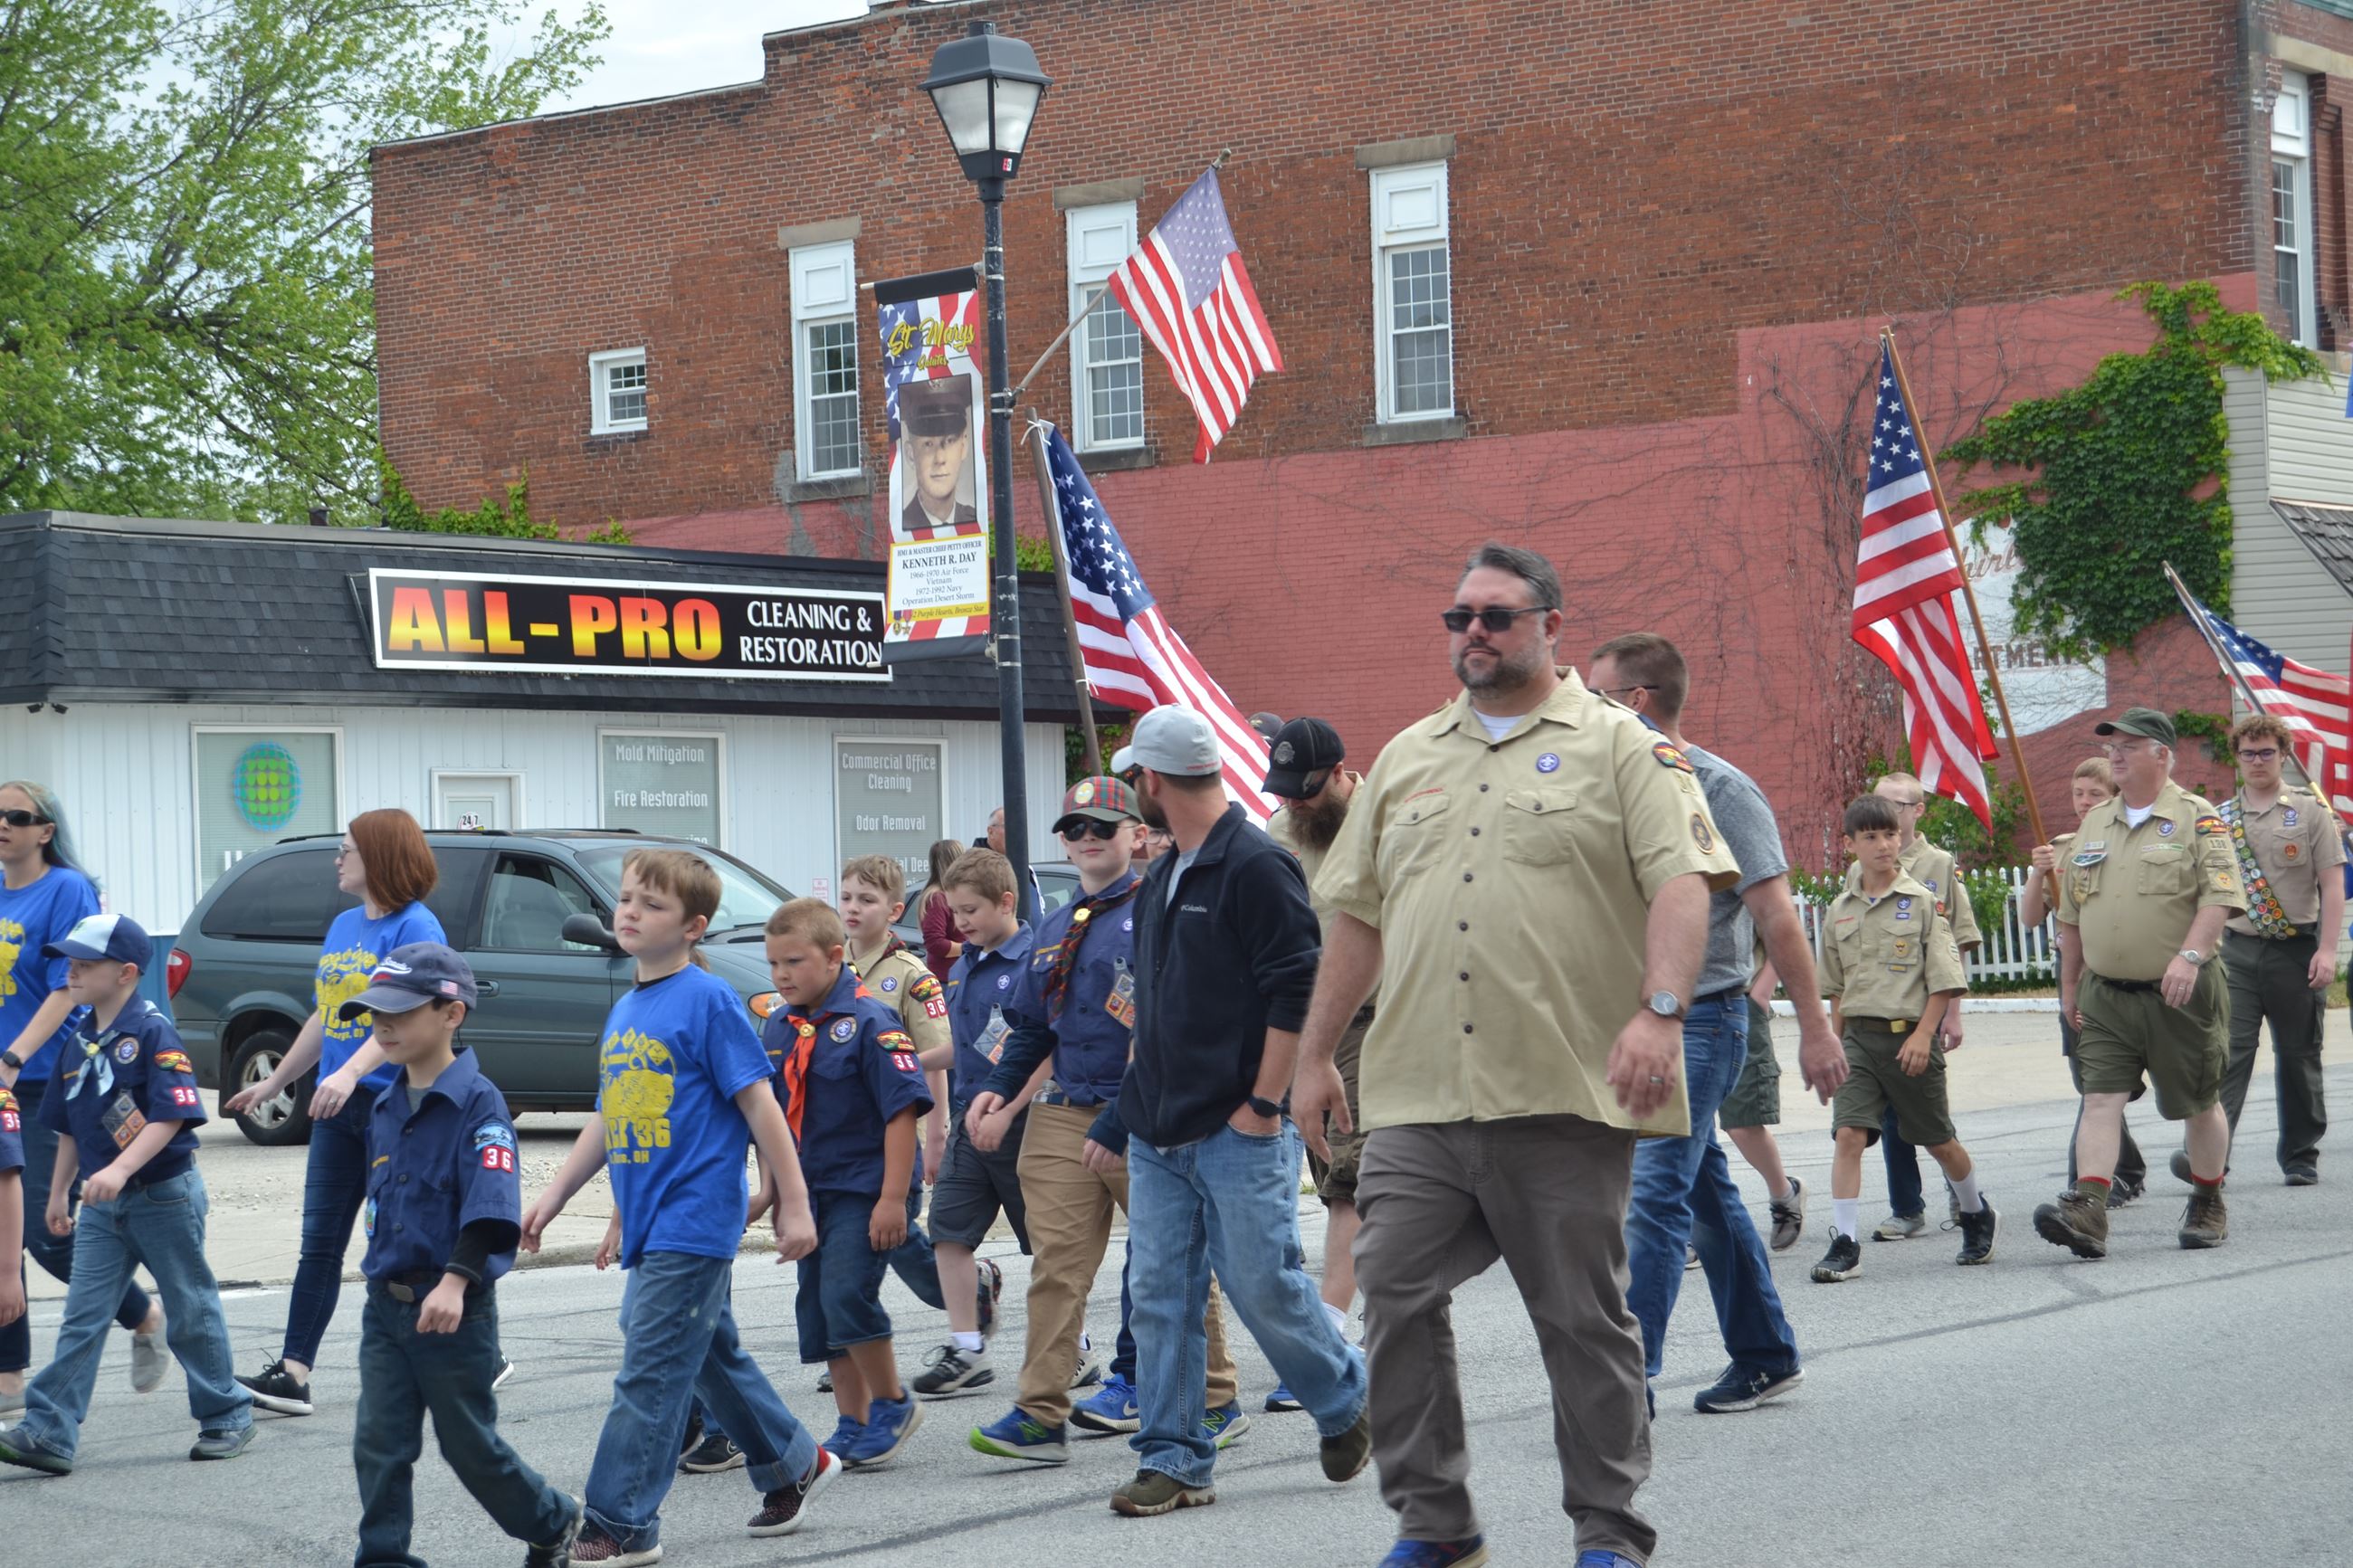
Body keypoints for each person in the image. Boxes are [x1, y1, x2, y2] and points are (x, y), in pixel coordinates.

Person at [1295, 543, 1742, 1568]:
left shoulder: (1622, 746)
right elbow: (1354, 917)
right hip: (1414, 1090)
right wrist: (1315, 1054)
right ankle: (1435, 1522)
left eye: (1495, 614)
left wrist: (1660, 1011)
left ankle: (1607, 1529)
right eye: (1457, 617)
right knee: (1393, 1295)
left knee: (1579, 1319)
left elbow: (1682, 878)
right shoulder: (1408, 756)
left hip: (1563, 1088)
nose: (1473, 633)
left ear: (1549, 621)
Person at [522, 848, 837, 1563]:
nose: (629, 910)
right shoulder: (628, 1007)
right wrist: (554, 1195)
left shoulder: (710, 999)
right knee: (705, 1354)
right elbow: (611, 1119)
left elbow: (764, 1109)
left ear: (693, 926)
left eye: (651, 904)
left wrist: (793, 1204)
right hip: (652, 1218)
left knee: (651, 1363)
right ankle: (794, 1462)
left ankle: (620, 1520)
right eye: (627, 898)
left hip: (697, 1217)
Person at [1108, 703, 1369, 1521]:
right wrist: (1121, 1115)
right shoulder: (1163, 872)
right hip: (1158, 1127)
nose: (1133, 799)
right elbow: (1152, 1006)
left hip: (1237, 1124)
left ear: (1153, 780)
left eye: (1133, 783)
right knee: (1158, 1294)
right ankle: (1175, 1457)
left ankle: (1346, 1396)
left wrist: (1263, 1105)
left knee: (1262, 1286)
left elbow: (1297, 988)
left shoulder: (1257, 864)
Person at [1588, 633, 1847, 1411]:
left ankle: (1626, 1378)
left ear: (1635, 701)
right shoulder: (1609, 787)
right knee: (1705, 1195)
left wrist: (1816, 1026)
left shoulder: (1721, 790)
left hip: (1704, 1022)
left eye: (1595, 695)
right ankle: (1766, 1354)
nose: (1578, 710)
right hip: (1639, 1021)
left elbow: (1778, 918)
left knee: (1656, 1193)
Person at [965, 776, 1245, 1465]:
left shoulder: (1164, 909)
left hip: (1147, 1109)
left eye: (1103, 827)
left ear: (1138, 836)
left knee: (1171, 1261)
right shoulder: (1057, 924)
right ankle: (1040, 1412)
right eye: (1075, 829)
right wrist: (1001, 1088)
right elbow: (1034, 1025)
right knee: (1056, 1265)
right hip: (1064, 1110)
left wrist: (1120, 1119)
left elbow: (1169, 1026)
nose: (1087, 839)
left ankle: (1215, 1399)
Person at [341, 942, 581, 1567]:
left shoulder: (478, 1101)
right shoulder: (387, 1102)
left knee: (469, 1446)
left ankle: (552, 1520)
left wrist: (454, 1280)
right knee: (379, 1443)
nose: (383, 1025)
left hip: (453, 1305)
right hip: (385, 1305)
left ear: (451, 1013)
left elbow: (490, 1201)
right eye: (374, 1014)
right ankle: (384, 1557)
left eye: (400, 1011)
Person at [0, 914, 253, 1472]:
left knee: (189, 1307)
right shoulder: (79, 1038)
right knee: (83, 1314)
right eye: (69, 962)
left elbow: (173, 1115)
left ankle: (226, 1413)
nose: (71, 972)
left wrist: (119, 1168)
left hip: (162, 1193)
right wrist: (58, 1191)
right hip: (98, 1204)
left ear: (127, 973)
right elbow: (67, 1124)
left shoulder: (152, 1032)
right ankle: (50, 1431)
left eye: (85, 965)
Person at [226, 808, 446, 1417]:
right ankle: (293, 1372)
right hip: (335, 1107)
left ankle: (468, 1351)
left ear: (379, 855)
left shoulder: (416, 926)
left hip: (391, 1104)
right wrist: (278, 1080)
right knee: (319, 1242)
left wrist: (352, 1073)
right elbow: (331, 1014)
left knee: (404, 1239)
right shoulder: (346, 925)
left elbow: (403, 1017)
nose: (337, 858)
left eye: (346, 848)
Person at [2034, 708, 2246, 1259]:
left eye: (2131, 745)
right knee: (2100, 1098)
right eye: (2112, 746)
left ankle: (2207, 1198)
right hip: (2106, 995)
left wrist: (2190, 957)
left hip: (2180, 992)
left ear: (2162, 755)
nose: (2117, 754)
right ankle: (2089, 1209)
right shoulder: (2095, 822)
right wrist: (2069, 988)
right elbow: (2073, 914)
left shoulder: (2197, 818)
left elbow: (2220, 896)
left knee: (2198, 1102)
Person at [0, 781, 162, 1421]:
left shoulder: (65, 888)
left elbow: (66, 988)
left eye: (16, 816)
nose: (3, 825)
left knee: (47, 1229)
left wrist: (12, 1060)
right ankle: (11, 1375)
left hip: (41, 1074)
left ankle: (145, 1313)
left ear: (45, 830)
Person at [764, 897, 933, 1468]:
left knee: (845, 1294)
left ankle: (892, 1403)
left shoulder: (869, 1022)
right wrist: (777, 1194)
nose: (782, 975)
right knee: (817, 1306)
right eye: (774, 965)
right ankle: (853, 1420)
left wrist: (892, 1199)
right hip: (811, 1192)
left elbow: (902, 1113)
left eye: (795, 962)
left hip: (866, 1187)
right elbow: (774, 1117)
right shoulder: (780, 1026)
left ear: (835, 957)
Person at [1809, 796, 1995, 1284]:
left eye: (1890, 835)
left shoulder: (1924, 903)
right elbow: (1835, 989)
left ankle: (1975, 1211)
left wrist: (1924, 1034)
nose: (1884, 845)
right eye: (1870, 837)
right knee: (1849, 1135)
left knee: (1938, 1140)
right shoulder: (1840, 911)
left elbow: (1944, 978)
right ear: (1849, 845)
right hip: (1859, 1042)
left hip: (1912, 1037)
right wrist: (1832, 1046)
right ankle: (1845, 1242)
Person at [1260, 716, 1371, 1414]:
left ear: (1339, 773)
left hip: (1379, 1018)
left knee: (1347, 1178)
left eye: (1306, 791)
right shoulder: (1276, 834)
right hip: (1301, 1025)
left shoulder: (1382, 818)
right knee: (1326, 1171)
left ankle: (1328, 1333)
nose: (1295, 804)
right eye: (1284, 793)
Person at [908, 848, 1034, 1399]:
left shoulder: (1033, 961)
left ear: (1006, 902)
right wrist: (906, 1059)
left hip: (1027, 1123)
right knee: (949, 1234)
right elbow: (964, 1048)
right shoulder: (964, 965)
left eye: (970, 911)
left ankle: (1072, 1349)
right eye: (953, 912)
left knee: (1051, 1246)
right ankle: (967, 1348)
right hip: (967, 1119)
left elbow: (1039, 1045)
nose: (959, 923)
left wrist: (1008, 1108)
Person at [2207, 714, 2344, 1185]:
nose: (2258, 761)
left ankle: (2301, 1154)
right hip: (2237, 952)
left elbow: (2332, 885)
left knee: (2299, 1053)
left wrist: (2327, 951)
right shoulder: (2219, 819)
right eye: (2249, 753)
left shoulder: (2309, 813)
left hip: (2295, 950)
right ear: (2238, 758)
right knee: (2229, 1052)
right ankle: (2212, 1158)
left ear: (2284, 756)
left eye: (2267, 752)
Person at [1854, 774, 1988, 1239]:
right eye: (1880, 804)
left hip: (1922, 1011)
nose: (1888, 815)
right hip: (1876, 1013)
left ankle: (1962, 1192)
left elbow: (1958, 942)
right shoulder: (1862, 868)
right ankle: (1906, 1207)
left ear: (1918, 811)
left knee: (1928, 1115)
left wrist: (1952, 1014)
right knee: (1889, 1115)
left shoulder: (1937, 864)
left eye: (1897, 806)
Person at [2021, 757, 2150, 1199]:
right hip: (2073, 970)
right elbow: (2030, 918)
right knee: (2088, 1079)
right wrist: (2038, 872)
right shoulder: (2060, 848)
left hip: (2116, 967)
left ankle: (2088, 1181)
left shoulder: (2127, 842)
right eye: (2078, 793)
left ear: (2114, 795)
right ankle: (2125, 1168)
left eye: (2095, 794)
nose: (2084, 802)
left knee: (2103, 1082)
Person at [838, 854, 956, 1302]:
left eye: (866, 899)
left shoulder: (911, 975)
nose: (852, 908)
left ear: (893, 911)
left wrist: (938, 1133)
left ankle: (967, 1291)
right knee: (851, 1236)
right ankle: (847, 1353)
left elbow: (939, 1055)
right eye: (846, 897)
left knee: (895, 1232)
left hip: (899, 1124)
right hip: (845, 1126)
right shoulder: (830, 967)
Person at [1726, 959, 1807, 1250]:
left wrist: (1760, 995)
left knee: (1742, 1123)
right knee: (1684, 1127)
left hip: (1738, 1004)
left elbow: (1780, 928)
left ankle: (1784, 1194)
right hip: (1681, 1007)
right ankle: (1688, 1229)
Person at [898, 375, 977, 533]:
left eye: (949, 441)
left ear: (964, 446)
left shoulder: (973, 518)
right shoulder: (904, 525)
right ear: (911, 455)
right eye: (928, 444)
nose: (940, 459)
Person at [917, 839, 967, 985]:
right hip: (948, 981)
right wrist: (970, 948)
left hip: (959, 977)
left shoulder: (950, 894)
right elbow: (935, 943)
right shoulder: (937, 897)